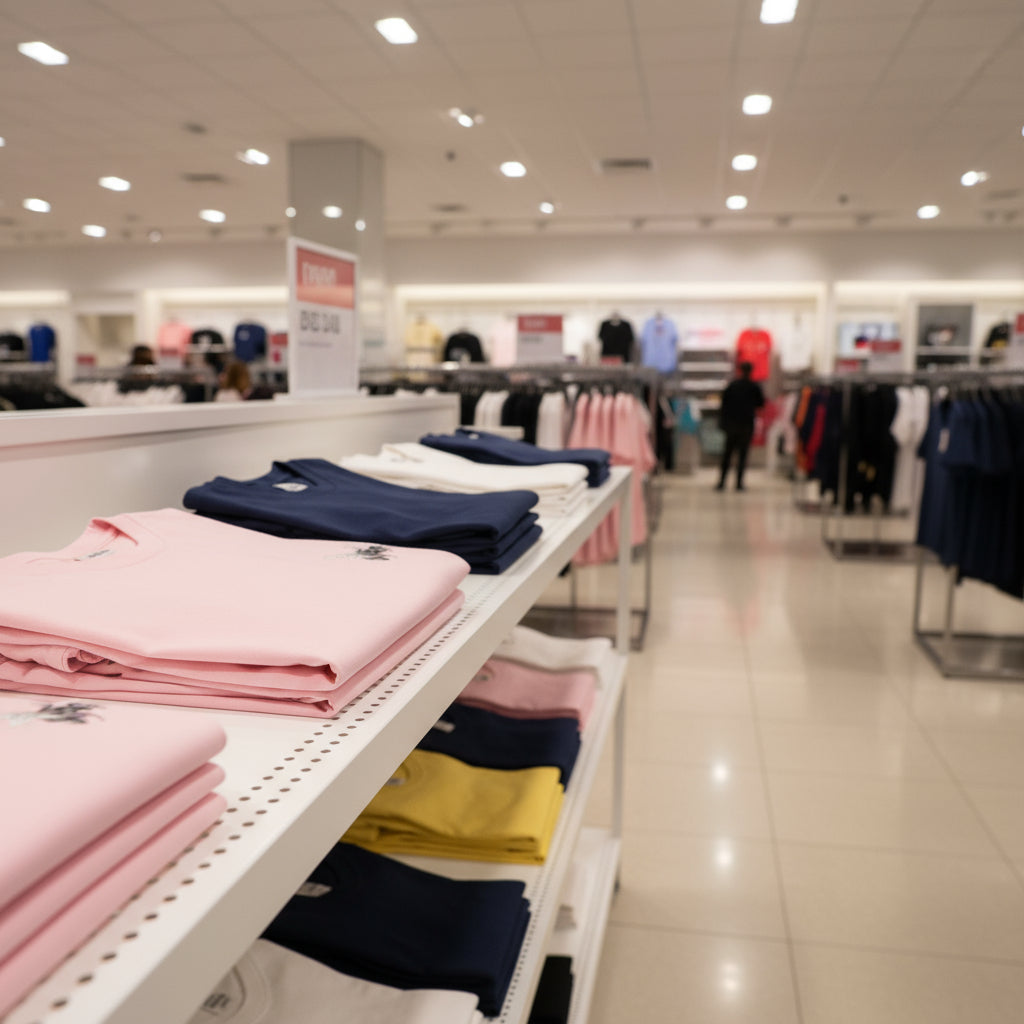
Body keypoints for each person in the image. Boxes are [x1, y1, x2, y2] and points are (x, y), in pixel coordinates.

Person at [716, 361, 764, 492]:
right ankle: (739, 483)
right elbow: (761, 403)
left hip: (732, 424)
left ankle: (721, 482)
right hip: (746, 425)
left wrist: (723, 422)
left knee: (727, 454)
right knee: (742, 455)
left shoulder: (732, 385)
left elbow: (724, 405)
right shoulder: (754, 387)